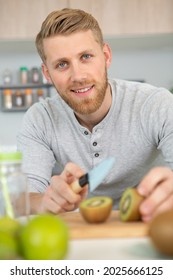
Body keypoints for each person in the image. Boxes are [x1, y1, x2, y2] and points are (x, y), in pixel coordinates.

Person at [17, 8, 173, 222]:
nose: (78, 76)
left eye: (86, 57)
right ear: (47, 73)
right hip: (76, 233)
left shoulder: (155, 104)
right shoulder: (40, 120)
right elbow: (20, 198)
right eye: (62, 64)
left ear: (106, 56)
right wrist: (43, 202)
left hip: (150, 225)